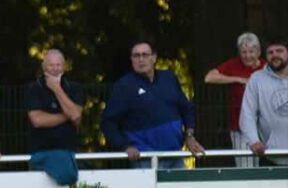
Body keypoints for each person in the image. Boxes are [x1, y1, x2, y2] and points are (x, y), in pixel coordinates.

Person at [101, 40, 205, 168]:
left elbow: (186, 108)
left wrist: (189, 136)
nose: (141, 59)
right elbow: (108, 122)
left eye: (145, 55)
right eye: (136, 55)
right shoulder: (124, 86)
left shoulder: (169, 78)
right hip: (144, 159)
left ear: (154, 58)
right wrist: (125, 146)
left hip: (175, 156)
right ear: (131, 59)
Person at [204, 32, 266, 166]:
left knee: (265, 164)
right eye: (244, 52)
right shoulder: (233, 65)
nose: (247, 55)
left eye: (251, 51)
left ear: (259, 51)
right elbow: (209, 77)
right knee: (246, 165)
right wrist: (237, 79)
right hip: (239, 126)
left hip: (264, 125)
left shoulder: (266, 67)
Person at [25, 49, 84, 186]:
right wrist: (68, 115)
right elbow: (37, 120)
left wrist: (57, 89)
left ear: (64, 67)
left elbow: (76, 117)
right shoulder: (33, 89)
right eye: (51, 65)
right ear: (44, 67)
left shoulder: (75, 88)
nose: (55, 69)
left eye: (58, 65)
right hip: (40, 153)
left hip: (69, 153)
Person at [239, 39, 288, 166]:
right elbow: (247, 113)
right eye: (270, 52)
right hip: (271, 157)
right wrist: (253, 141)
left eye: (279, 51)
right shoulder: (256, 79)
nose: (275, 55)